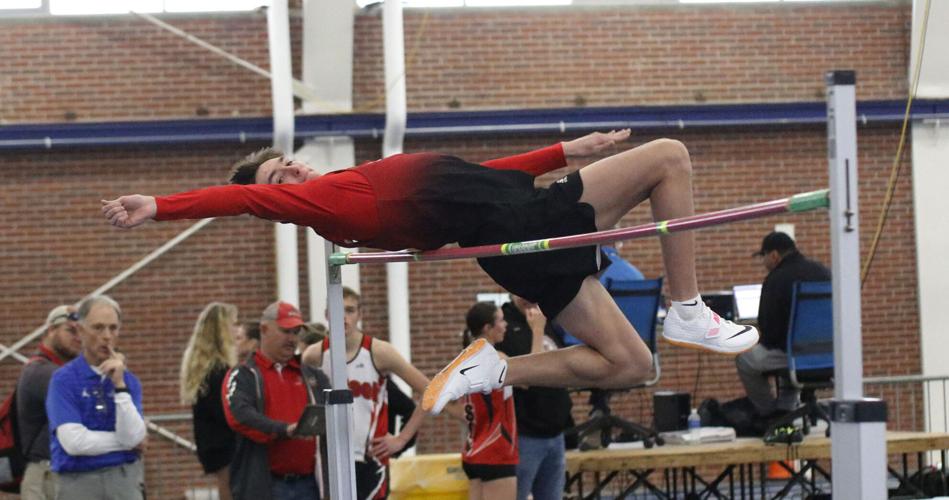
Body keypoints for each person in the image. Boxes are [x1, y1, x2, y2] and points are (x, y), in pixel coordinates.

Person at [101, 131, 759, 415]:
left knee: (632, 365)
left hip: (517, 232)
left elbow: (477, 181)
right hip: (527, 227)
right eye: (280, 179)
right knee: (668, 158)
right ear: (282, 199)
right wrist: (157, 206)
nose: (292, 173)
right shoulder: (323, 204)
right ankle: (685, 307)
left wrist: (563, 152)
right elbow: (238, 198)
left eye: (288, 165)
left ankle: (494, 369)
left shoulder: (353, 188)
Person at [302, 287, 435, 500]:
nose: (343, 317)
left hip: (370, 460)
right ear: (327, 315)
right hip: (329, 459)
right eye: (337, 310)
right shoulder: (314, 355)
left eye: (350, 310)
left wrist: (402, 438)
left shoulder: (378, 351)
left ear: (360, 315)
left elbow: (430, 390)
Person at [222, 301, 328, 500]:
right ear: (264, 329)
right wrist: (285, 430)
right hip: (266, 485)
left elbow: (334, 411)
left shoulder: (312, 376)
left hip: (311, 484)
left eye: (296, 332)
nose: (292, 338)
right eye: (286, 331)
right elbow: (239, 415)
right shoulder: (243, 375)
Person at [45, 295, 147, 500]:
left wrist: (119, 386)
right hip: (78, 482)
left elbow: (134, 436)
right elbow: (74, 442)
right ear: (81, 331)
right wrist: (125, 443)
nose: (107, 336)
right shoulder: (63, 380)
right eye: (98, 328)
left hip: (123, 478)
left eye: (113, 328)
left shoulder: (129, 381)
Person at [737, 232, 831, 417]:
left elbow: (768, 328)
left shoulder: (776, 279)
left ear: (774, 255)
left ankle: (768, 414)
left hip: (792, 355)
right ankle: (786, 409)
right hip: (828, 355)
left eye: (763, 256)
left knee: (746, 359)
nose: (764, 262)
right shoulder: (824, 272)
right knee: (789, 357)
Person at [493, 296, 570, 500]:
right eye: (521, 293)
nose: (528, 298)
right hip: (525, 433)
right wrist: (537, 331)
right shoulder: (505, 327)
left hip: (554, 431)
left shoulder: (546, 317)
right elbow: (529, 377)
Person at [15, 305, 83, 500]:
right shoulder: (41, 371)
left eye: (81, 332)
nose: (78, 338)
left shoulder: (59, 370)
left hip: (57, 473)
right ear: (50, 331)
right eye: (70, 330)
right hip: (46, 475)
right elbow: (84, 401)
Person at [180, 302, 242, 500]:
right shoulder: (219, 371)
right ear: (222, 330)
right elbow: (224, 411)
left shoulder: (206, 369)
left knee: (227, 486)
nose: (237, 330)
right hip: (223, 442)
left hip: (212, 442)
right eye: (233, 324)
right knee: (230, 488)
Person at [460, 302, 517, 500]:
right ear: (487, 328)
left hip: (474, 450)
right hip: (497, 450)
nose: (506, 325)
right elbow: (532, 379)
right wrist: (537, 329)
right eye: (501, 320)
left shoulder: (464, 359)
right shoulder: (497, 359)